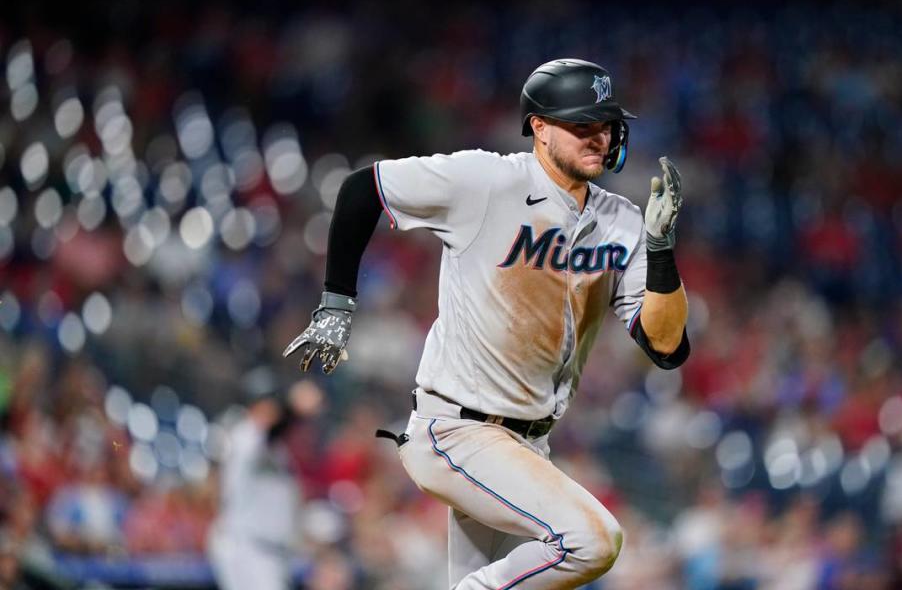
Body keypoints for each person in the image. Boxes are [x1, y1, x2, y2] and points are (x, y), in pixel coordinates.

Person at [284, 58, 690, 588]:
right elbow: (364, 189)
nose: (599, 136)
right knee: (593, 540)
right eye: (581, 124)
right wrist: (336, 304)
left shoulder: (624, 222)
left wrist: (660, 252)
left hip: (527, 445)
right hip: (457, 429)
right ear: (539, 129)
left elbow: (667, 345)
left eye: (606, 124)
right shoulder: (487, 179)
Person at [207, 368, 323, 590]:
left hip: (269, 552)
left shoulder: (276, 451)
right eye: (269, 404)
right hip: (247, 548)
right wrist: (293, 408)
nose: (272, 411)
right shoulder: (244, 436)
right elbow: (271, 429)